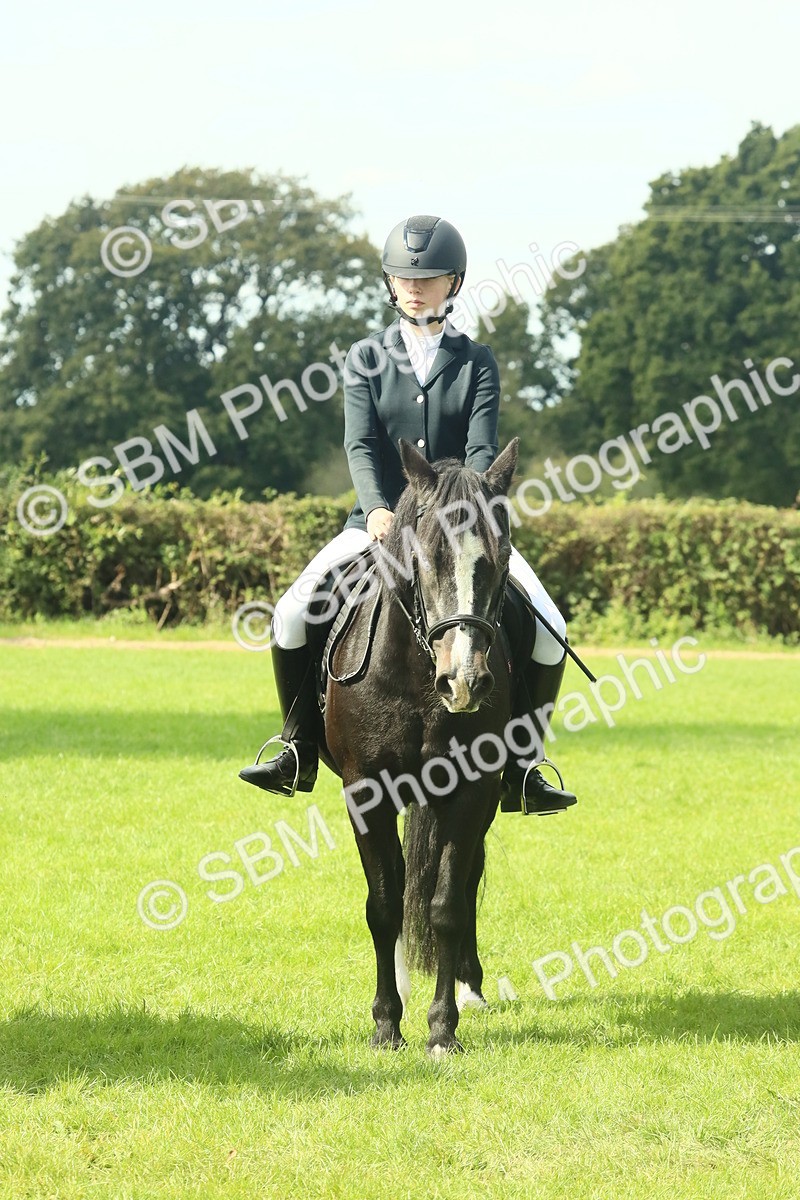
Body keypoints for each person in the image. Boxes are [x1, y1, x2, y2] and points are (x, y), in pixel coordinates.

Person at [239, 214, 577, 815]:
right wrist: (374, 509)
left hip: (460, 528)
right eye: (403, 277)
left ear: (454, 283)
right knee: (290, 613)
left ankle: (524, 766)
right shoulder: (365, 357)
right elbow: (361, 446)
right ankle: (296, 748)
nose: (415, 287)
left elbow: (479, 452)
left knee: (552, 627)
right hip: (376, 523)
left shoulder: (477, 362)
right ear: (389, 284)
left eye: (428, 278)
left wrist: (458, 514)